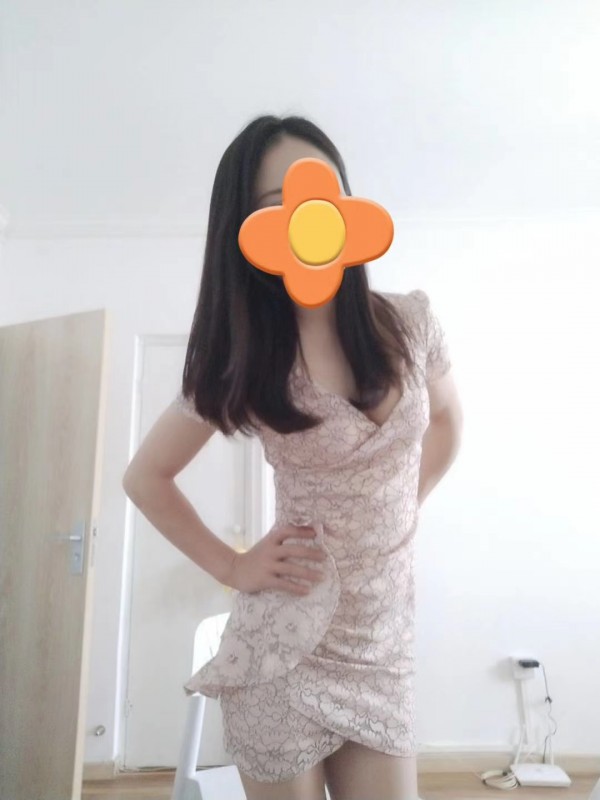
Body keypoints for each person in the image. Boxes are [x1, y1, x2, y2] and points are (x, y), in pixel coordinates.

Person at [123, 114, 463, 800]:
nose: (309, 216)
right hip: (281, 647)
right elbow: (146, 478)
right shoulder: (243, 358)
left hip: (382, 649)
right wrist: (233, 566)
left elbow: (449, 424)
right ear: (247, 232)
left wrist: (400, 512)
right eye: (279, 204)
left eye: (321, 192)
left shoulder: (411, 323)